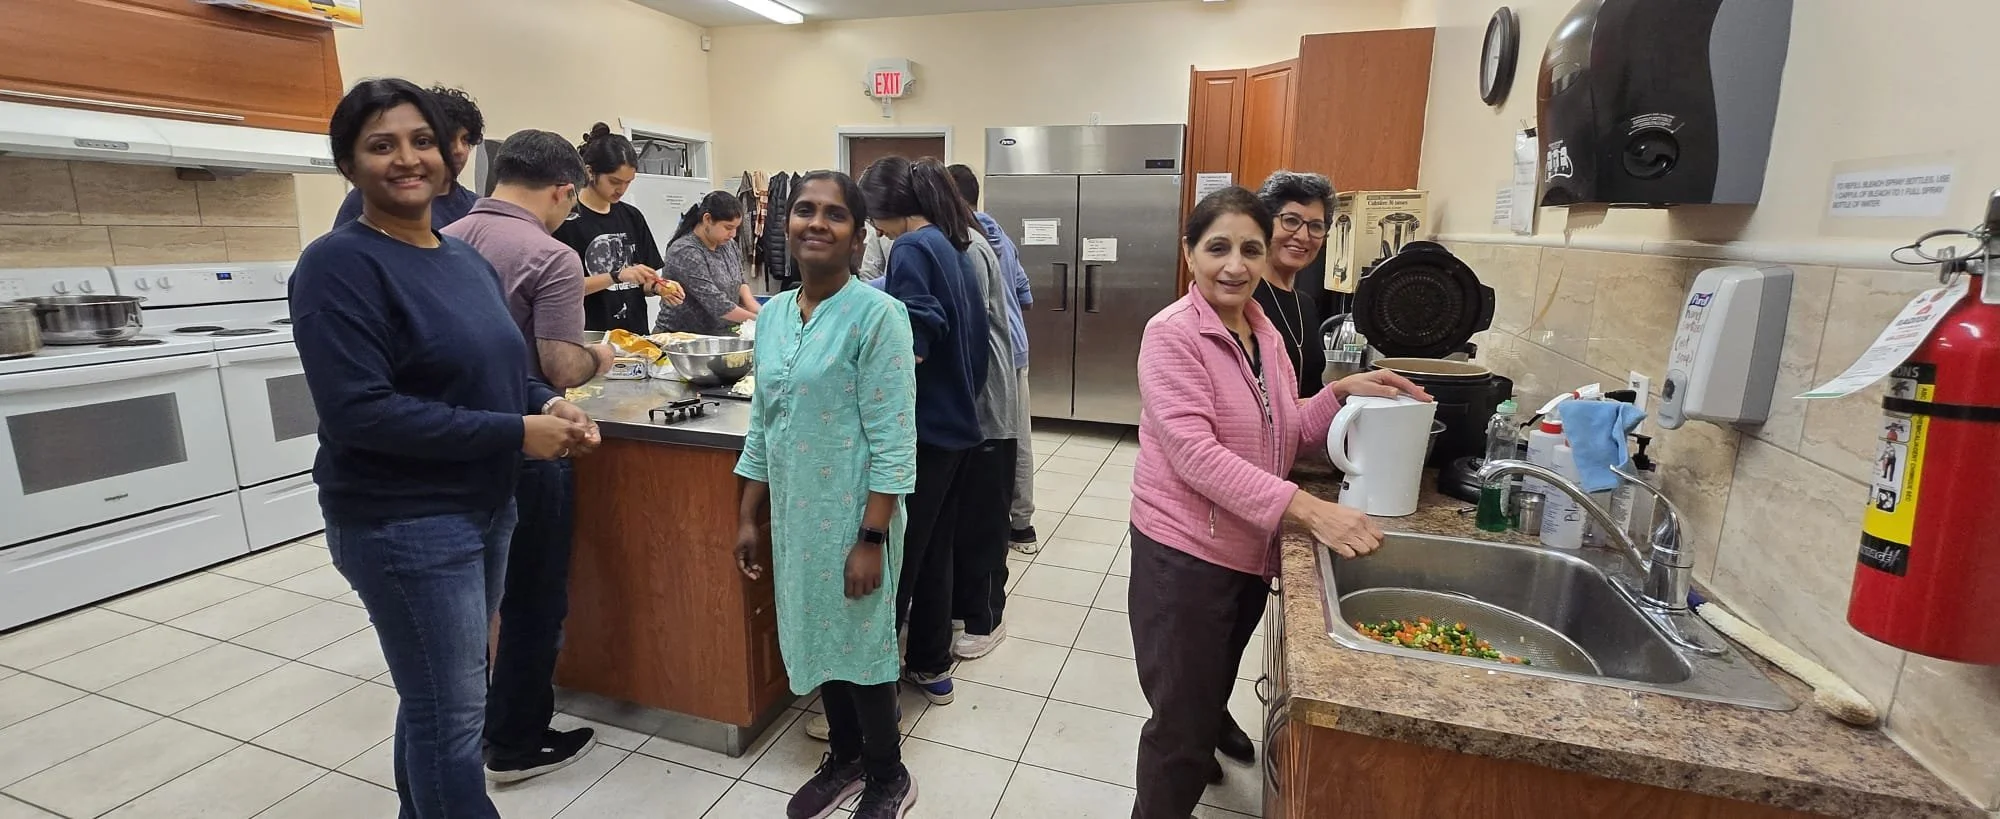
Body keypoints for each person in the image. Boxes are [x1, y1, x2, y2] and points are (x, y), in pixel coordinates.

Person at [291, 79, 594, 819]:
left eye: (420, 140)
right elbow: (364, 414)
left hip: (484, 507)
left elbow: (500, 371)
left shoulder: (462, 260)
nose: (407, 158)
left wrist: (545, 401)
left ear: (452, 153)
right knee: (453, 716)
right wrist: (518, 432)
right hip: (404, 522)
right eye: (381, 144)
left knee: (436, 699)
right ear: (348, 162)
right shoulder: (338, 265)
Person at [1127, 186, 1427, 819]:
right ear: (1189, 255)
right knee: (1178, 730)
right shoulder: (1171, 335)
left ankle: (1205, 736)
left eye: (1249, 250)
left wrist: (1342, 392)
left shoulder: (1262, 331)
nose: (1234, 265)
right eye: (1218, 248)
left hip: (1244, 549)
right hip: (1184, 557)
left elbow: (1284, 425)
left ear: (1265, 260)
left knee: (1206, 692)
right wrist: (1312, 511)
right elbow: (1195, 455)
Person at [732, 170, 922, 819]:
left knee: (863, 650)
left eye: (834, 214)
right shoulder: (776, 315)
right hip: (795, 516)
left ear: (857, 234)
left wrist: (870, 537)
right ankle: (843, 756)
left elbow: (896, 443)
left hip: (853, 515)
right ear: (787, 225)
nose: (816, 221)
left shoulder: (879, 315)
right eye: (805, 210)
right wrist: (749, 515)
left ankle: (887, 773)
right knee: (819, 637)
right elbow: (764, 423)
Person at [441, 128, 614, 782]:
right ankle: (515, 741)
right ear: (563, 190)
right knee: (535, 595)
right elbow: (559, 364)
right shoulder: (550, 253)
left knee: (480, 596)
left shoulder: (446, 240)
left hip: (460, 444)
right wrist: (601, 355)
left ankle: (478, 720)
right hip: (529, 444)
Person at [861, 155, 988, 707]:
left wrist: (891, 359)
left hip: (928, 428)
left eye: (869, 217)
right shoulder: (952, 242)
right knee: (934, 550)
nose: (869, 229)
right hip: (960, 422)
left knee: (900, 557)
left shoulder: (910, 246)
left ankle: (876, 681)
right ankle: (930, 665)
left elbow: (920, 321)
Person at [946, 163, 1041, 554]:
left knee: (993, 440)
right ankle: (1022, 525)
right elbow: (1025, 294)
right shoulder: (999, 233)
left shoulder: (962, 240)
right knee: (1018, 436)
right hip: (1015, 349)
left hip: (987, 354)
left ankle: (994, 527)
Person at [556, 123, 684, 333]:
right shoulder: (565, 219)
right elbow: (561, 288)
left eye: (628, 182)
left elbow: (640, 281)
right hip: (590, 337)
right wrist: (616, 276)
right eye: (615, 181)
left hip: (635, 337)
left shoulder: (631, 216)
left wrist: (658, 287)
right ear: (590, 172)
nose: (622, 189)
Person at [333, 85, 484, 230]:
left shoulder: (475, 206)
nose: (459, 150)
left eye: (465, 140)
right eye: (449, 139)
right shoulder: (369, 199)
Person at [1252, 171, 1336, 397]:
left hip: (1304, 431)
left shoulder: (1305, 304)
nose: (1303, 236)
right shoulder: (1243, 298)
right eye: (1291, 221)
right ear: (1263, 223)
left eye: (1316, 226)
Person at [654, 190, 761, 335]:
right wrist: (760, 320)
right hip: (680, 339)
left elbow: (740, 281)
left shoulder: (728, 245)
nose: (733, 234)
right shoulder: (686, 251)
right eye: (728, 228)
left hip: (717, 336)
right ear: (707, 219)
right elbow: (717, 304)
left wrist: (756, 307)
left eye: (736, 228)